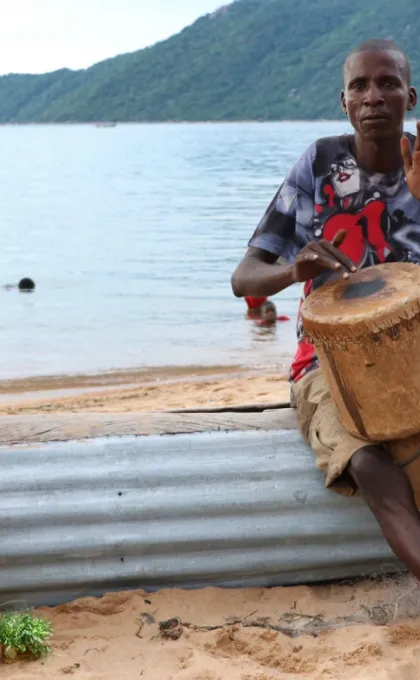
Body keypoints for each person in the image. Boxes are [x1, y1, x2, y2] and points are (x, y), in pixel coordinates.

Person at [231, 38, 420, 580]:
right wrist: (294, 271)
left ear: (409, 95)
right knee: (368, 463)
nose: (373, 97)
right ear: (343, 102)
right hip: (327, 363)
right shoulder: (318, 163)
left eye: (387, 84)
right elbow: (243, 278)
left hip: (411, 357)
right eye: (359, 85)